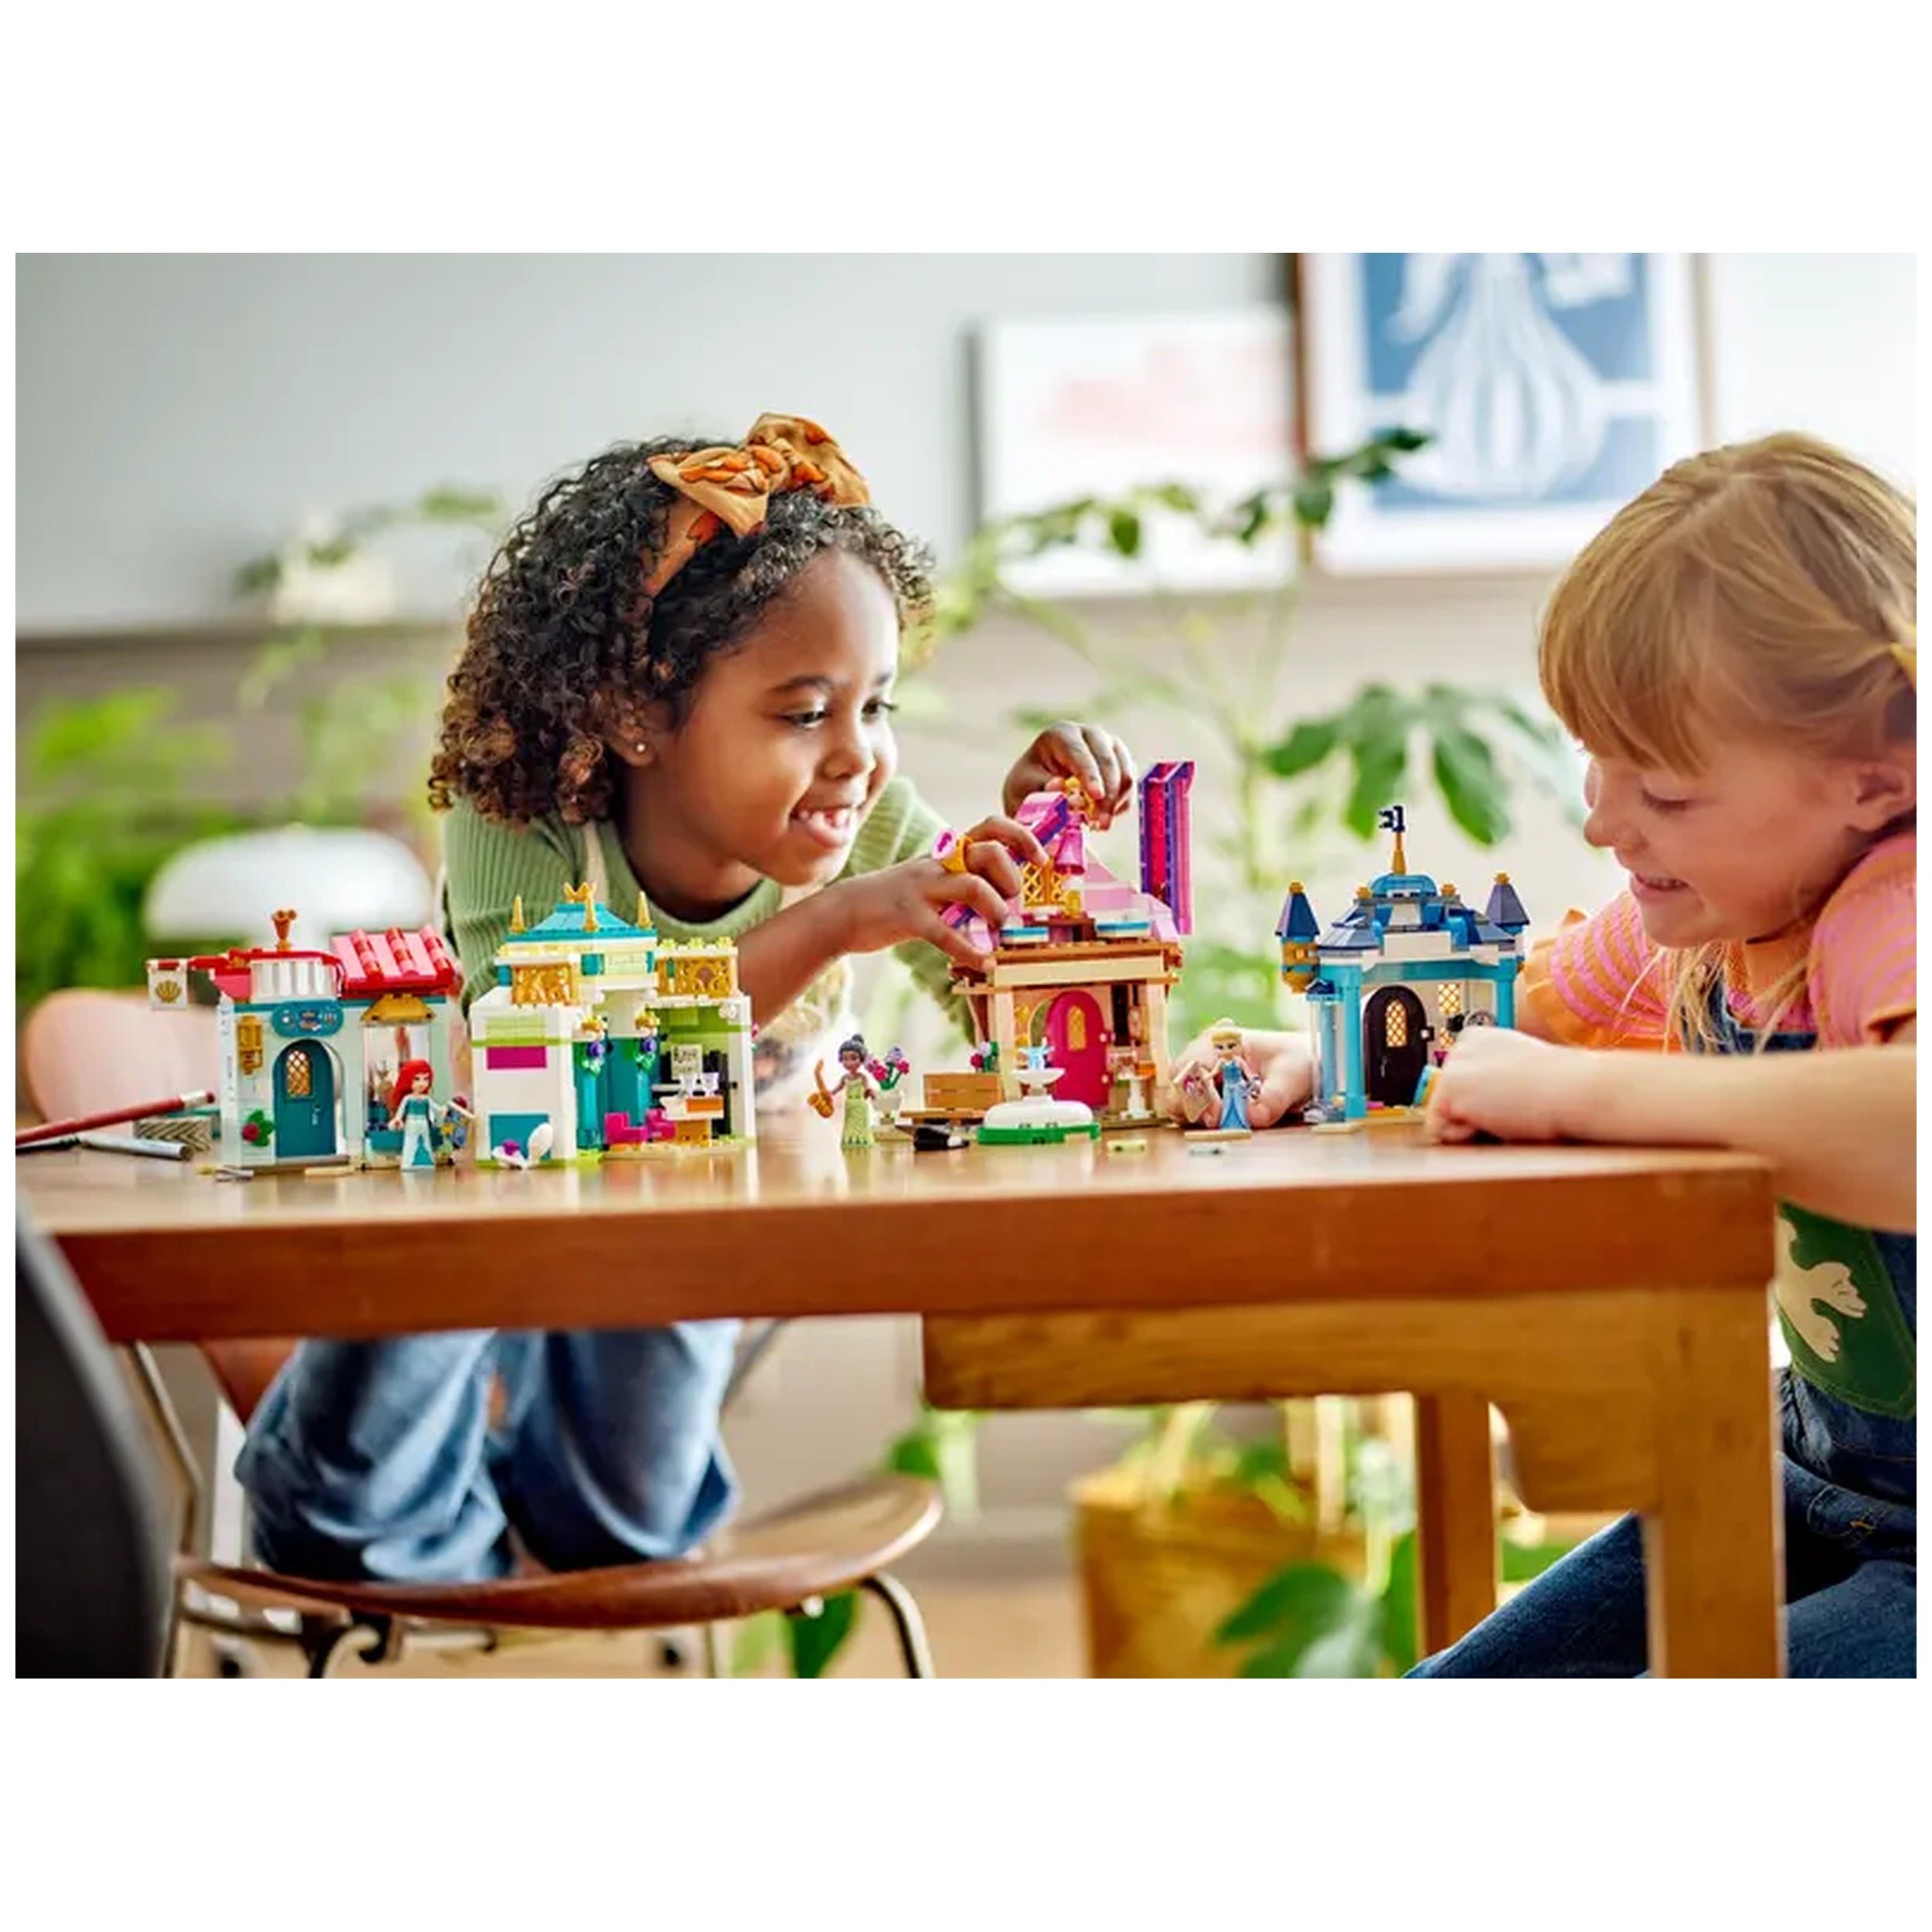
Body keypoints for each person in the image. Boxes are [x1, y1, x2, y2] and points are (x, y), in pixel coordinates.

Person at [236, 410, 1135, 1582]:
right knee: (346, 1522)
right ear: (631, 717)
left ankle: (528, 1490)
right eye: (806, 712)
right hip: (479, 1237)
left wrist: (1038, 857)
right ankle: (421, 1500)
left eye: (879, 708)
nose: (860, 756)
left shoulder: (871, 829)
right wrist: (831, 926)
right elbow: (556, 1055)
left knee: (630, 1524)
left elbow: (1008, 1017)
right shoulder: (527, 827)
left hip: (670, 1283)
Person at [1412, 432, 1915, 1676]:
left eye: (1667, 791)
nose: (1602, 819)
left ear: (1878, 775)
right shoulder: (1700, 923)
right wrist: (1330, 1058)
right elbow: (1502, 1018)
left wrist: (1579, 1093)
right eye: (1597, 758)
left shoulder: (1895, 912)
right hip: (1803, 1480)